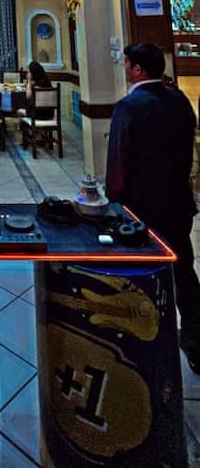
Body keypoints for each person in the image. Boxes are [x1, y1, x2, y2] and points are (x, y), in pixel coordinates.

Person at [105, 42, 200, 373]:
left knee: (140, 272)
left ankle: (141, 337)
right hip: (178, 202)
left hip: (141, 207)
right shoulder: (180, 101)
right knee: (184, 270)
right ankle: (195, 339)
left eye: (126, 63)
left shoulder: (129, 107)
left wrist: (114, 202)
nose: (124, 67)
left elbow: (118, 161)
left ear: (137, 69)